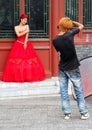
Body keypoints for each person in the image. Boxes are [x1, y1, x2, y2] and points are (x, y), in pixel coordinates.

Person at [52, 17, 89, 120]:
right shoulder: (70, 34)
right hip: (73, 67)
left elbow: (59, 52)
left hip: (62, 68)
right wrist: (72, 22)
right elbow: (81, 26)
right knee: (79, 91)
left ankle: (67, 113)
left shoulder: (54, 40)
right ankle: (84, 113)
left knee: (63, 91)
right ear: (68, 26)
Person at [2, 14, 46, 82]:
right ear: (21, 19)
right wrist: (26, 31)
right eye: (24, 20)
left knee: (29, 61)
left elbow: (26, 36)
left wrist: (25, 43)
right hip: (18, 44)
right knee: (17, 61)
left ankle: (27, 77)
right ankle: (17, 77)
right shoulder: (16, 27)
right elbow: (18, 35)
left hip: (26, 44)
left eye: (26, 20)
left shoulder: (27, 26)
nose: (25, 21)